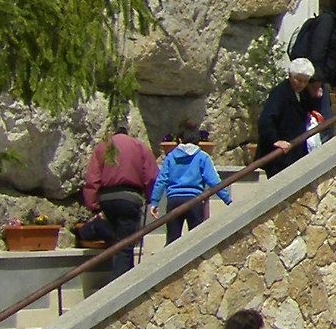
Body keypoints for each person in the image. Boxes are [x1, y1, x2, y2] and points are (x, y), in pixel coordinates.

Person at [80, 121, 157, 282]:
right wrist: (150, 198)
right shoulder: (139, 146)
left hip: (106, 198)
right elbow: (151, 176)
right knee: (125, 245)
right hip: (130, 198)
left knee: (118, 240)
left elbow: (92, 178)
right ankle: (117, 285)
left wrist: (93, 207)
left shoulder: (103, 147)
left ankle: (129, 278)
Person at [150, 124, 231, 241]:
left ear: (180, 140)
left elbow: (161, 180)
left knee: (172, 239)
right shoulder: (202, 157)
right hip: (195, 200)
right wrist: (227, 199)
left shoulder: (171, 157)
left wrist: (155, 202)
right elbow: (214, 181)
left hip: (174, 200)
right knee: (196, 240)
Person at [254, 58, 323, 176]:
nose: (301, 84)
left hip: (294, 151)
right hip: (278, 157)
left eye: (305, 81)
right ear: (290, 76)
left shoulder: (302, 94)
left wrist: (316, 98)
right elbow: (266, 119)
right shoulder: (280, 93)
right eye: (298, 80)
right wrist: (276, 140)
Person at [291, 0, 336, 100]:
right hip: (312, 82)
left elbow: (332, 57)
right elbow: (317, 51)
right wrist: (315, 83)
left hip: (319, 80)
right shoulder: (327, 20)